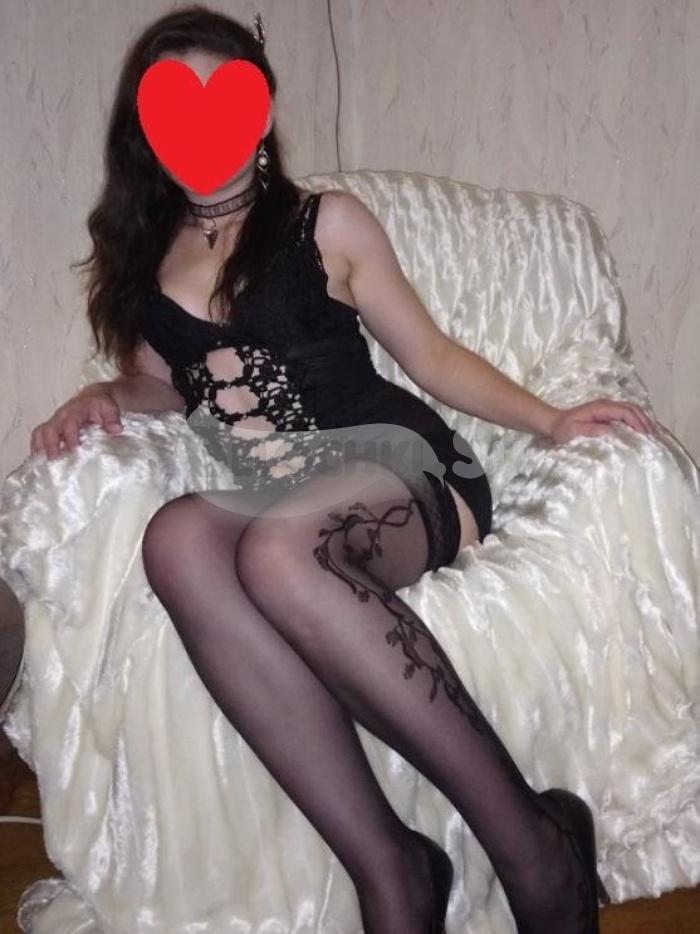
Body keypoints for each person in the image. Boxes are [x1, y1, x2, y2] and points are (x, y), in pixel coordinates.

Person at [30, 6, 654, 932]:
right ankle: (393, 869)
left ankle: (533, 844)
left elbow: (430, 357)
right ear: (145, 129)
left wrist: (551, 418)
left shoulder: (323, 223)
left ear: (259, 112)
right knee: (178, 540)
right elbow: (160, 382)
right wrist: (103, 397)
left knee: (278, 554)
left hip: (397, 464)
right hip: (279, 492)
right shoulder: (146, 257)